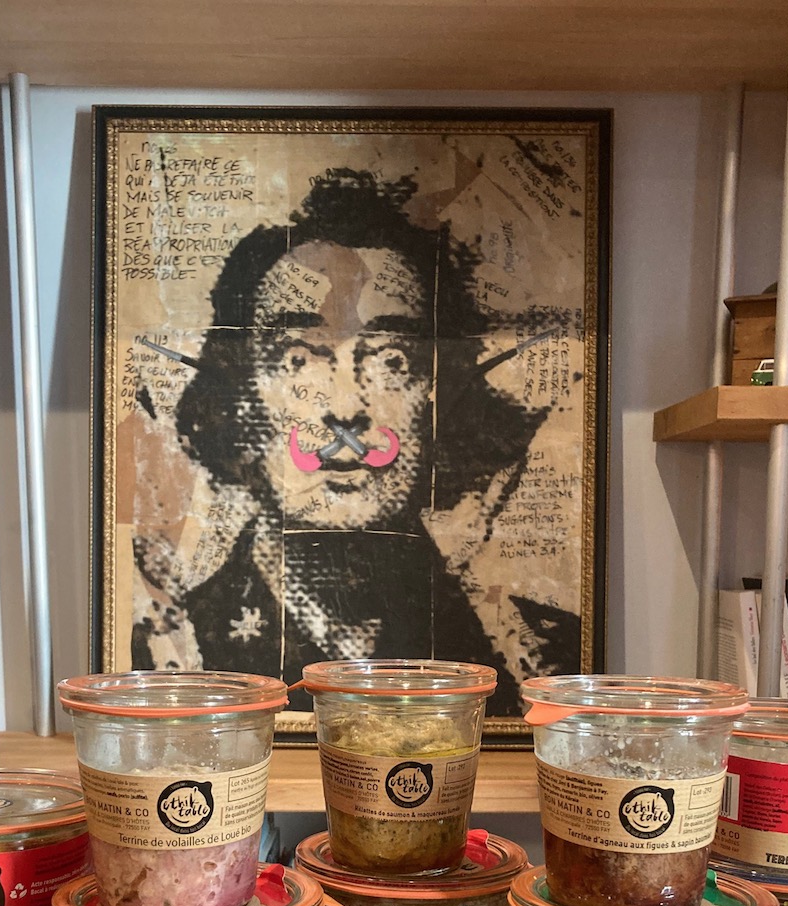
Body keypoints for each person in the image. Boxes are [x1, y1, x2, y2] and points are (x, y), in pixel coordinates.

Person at [130, 168, 582, 713]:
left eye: (391, 360)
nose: (346, 409)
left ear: (438, 397)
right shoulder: (172, 652)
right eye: (298, 358)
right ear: (240, 396)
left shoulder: (545, 655)